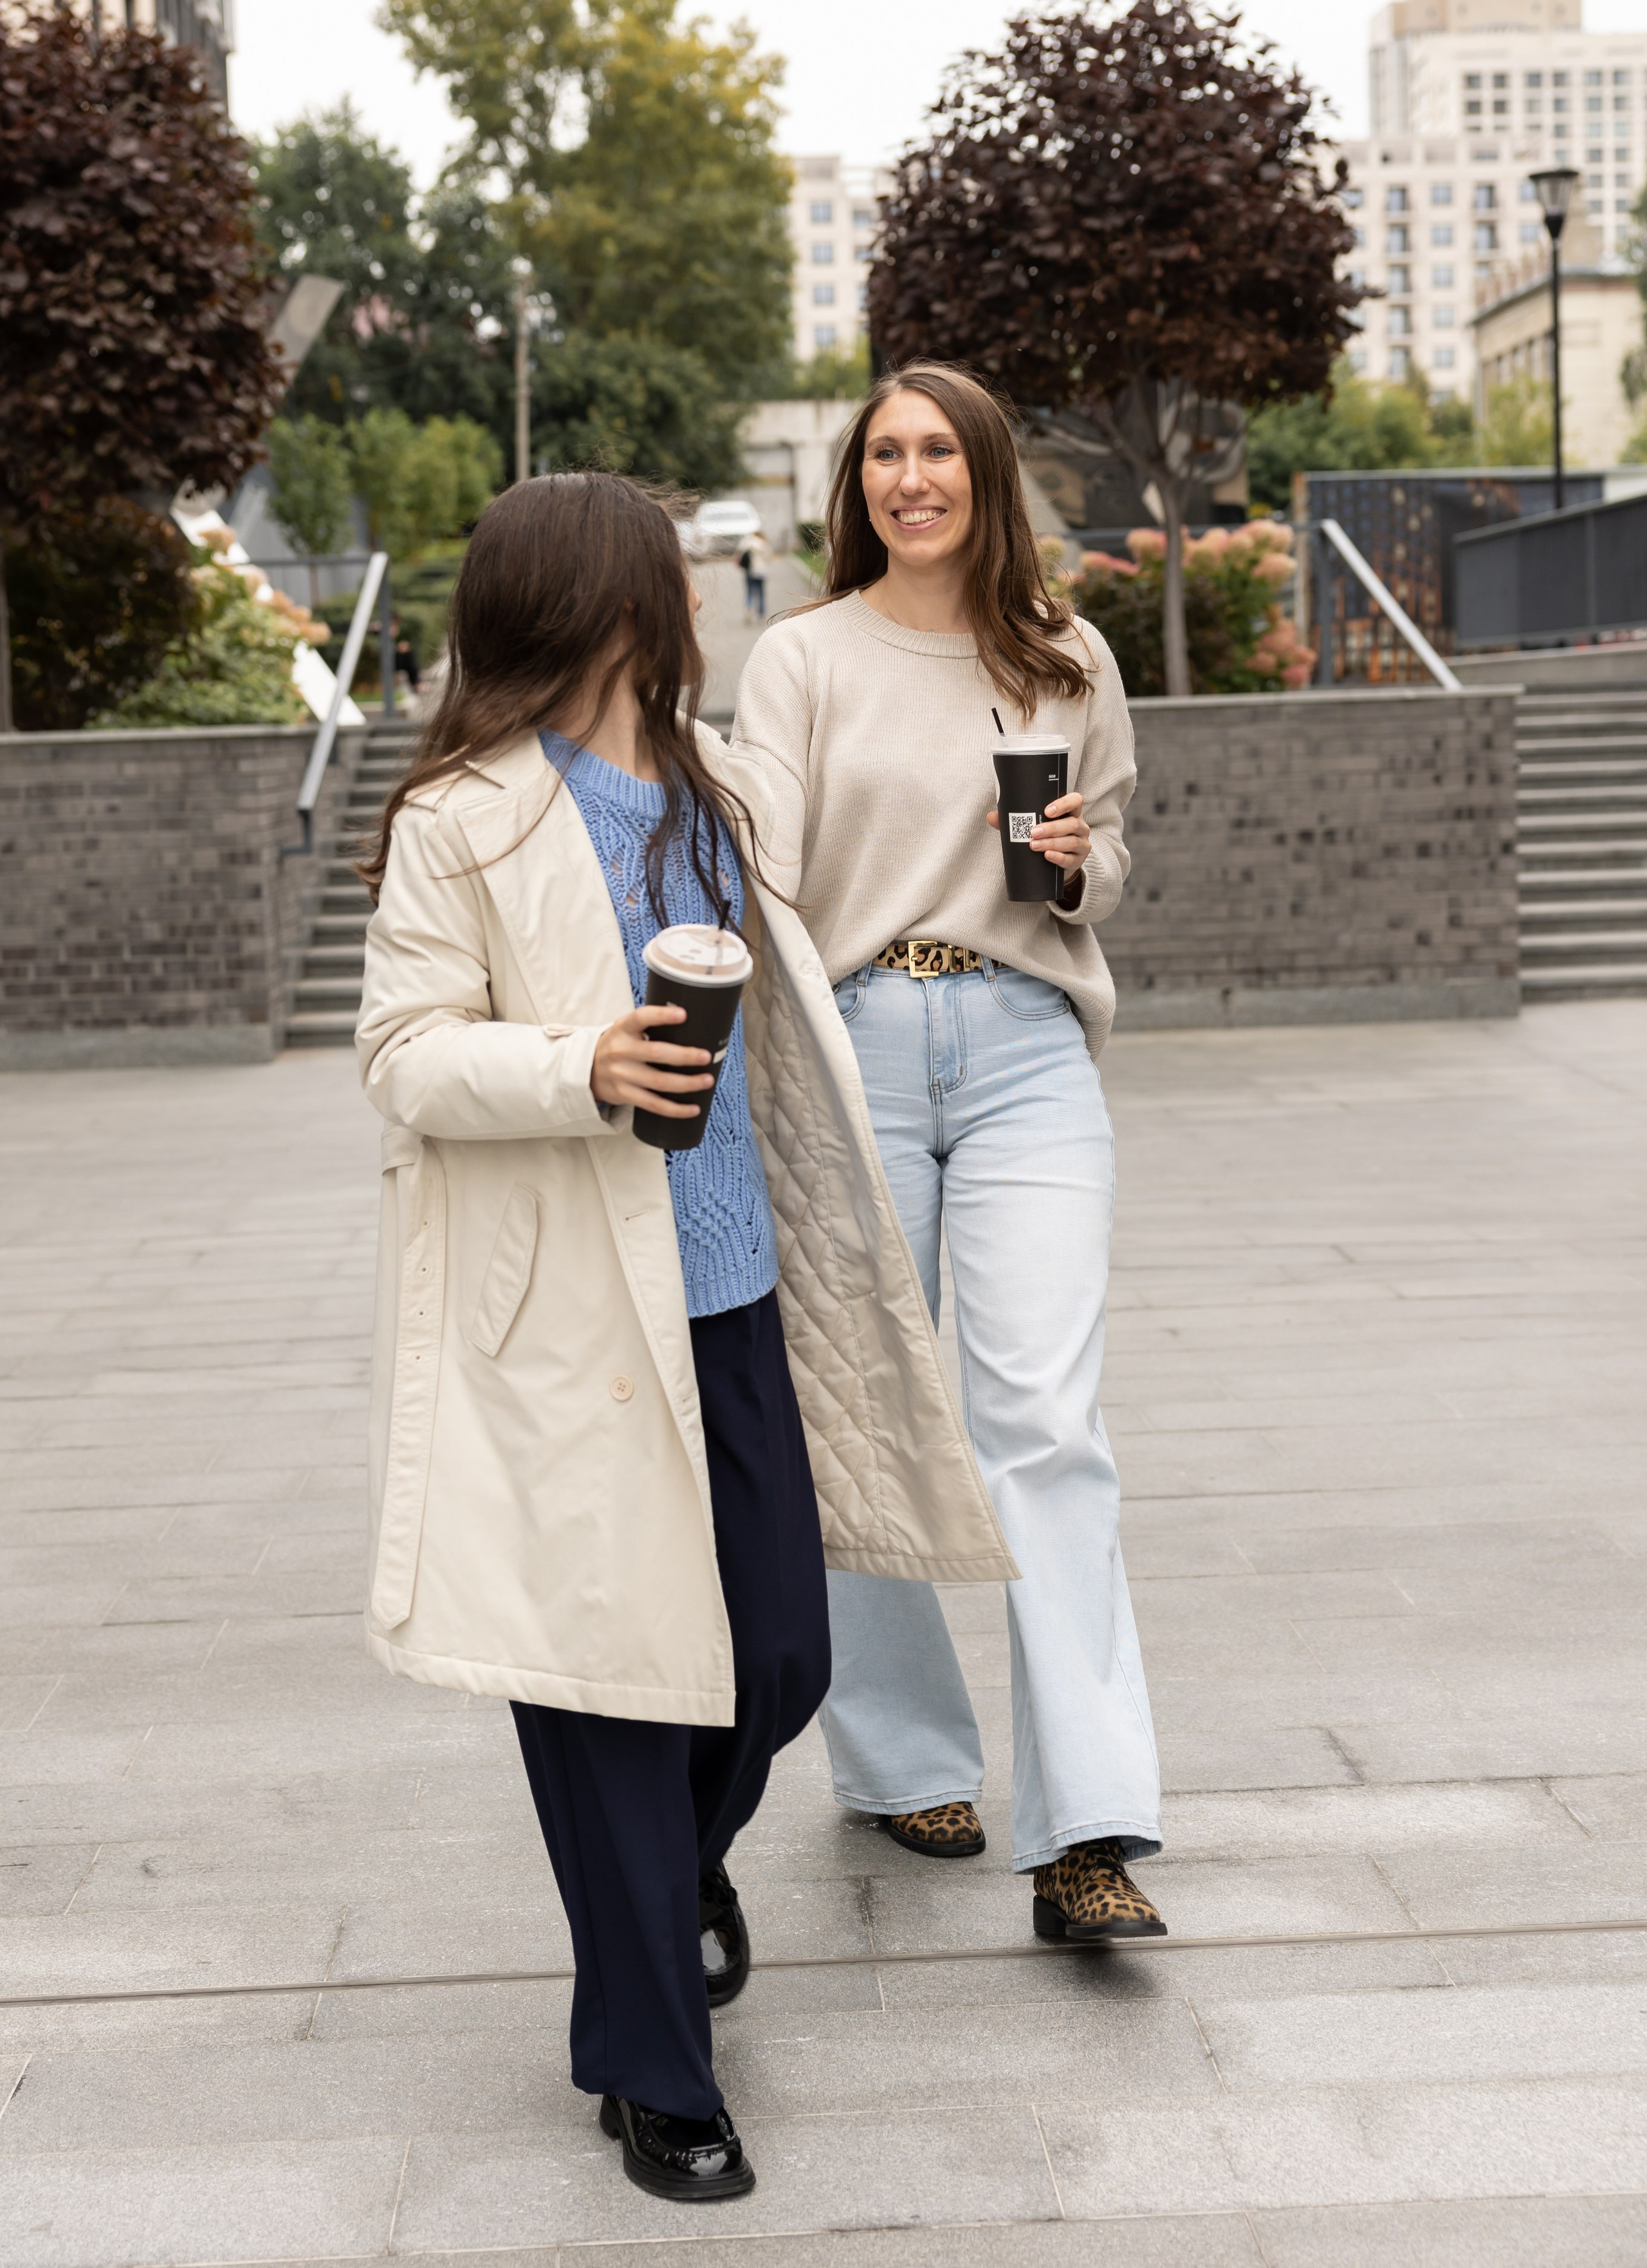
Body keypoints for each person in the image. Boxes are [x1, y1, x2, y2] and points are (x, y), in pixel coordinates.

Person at [356, 471, 1012, 2205]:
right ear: (607, 602)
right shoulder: (465, 819)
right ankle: (656, 2069)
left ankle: (678, 1882)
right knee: (608, 1697)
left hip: (734, 1297)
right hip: (566, 1323)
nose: (704, 603)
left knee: (782, 1655)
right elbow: (403, 1054)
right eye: (678, 579)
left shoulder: (710, 796)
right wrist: (582, 1065)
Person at [732, 360, 1167, 1943]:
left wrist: (1071, 864)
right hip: (855, 1052)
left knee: (1043, 1420)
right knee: (866, 1403)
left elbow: (1101, 850)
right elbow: (760, 865)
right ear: (855, 485)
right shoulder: (799, 659)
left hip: (1026, 1044)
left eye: (936, 452)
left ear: (985, 474)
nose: (907, 477)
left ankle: (1085, 1827)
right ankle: (900, 1755)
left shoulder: (1065, 659)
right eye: (881, 455)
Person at [738, 531, 769, 621]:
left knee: (750, 593)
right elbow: (769, 557)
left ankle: (749, 608)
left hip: (750, 571)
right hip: (762, 572)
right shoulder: (764, 544)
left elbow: (739, 553)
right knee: (761, 594)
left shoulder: (747, 542)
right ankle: (761, 612)